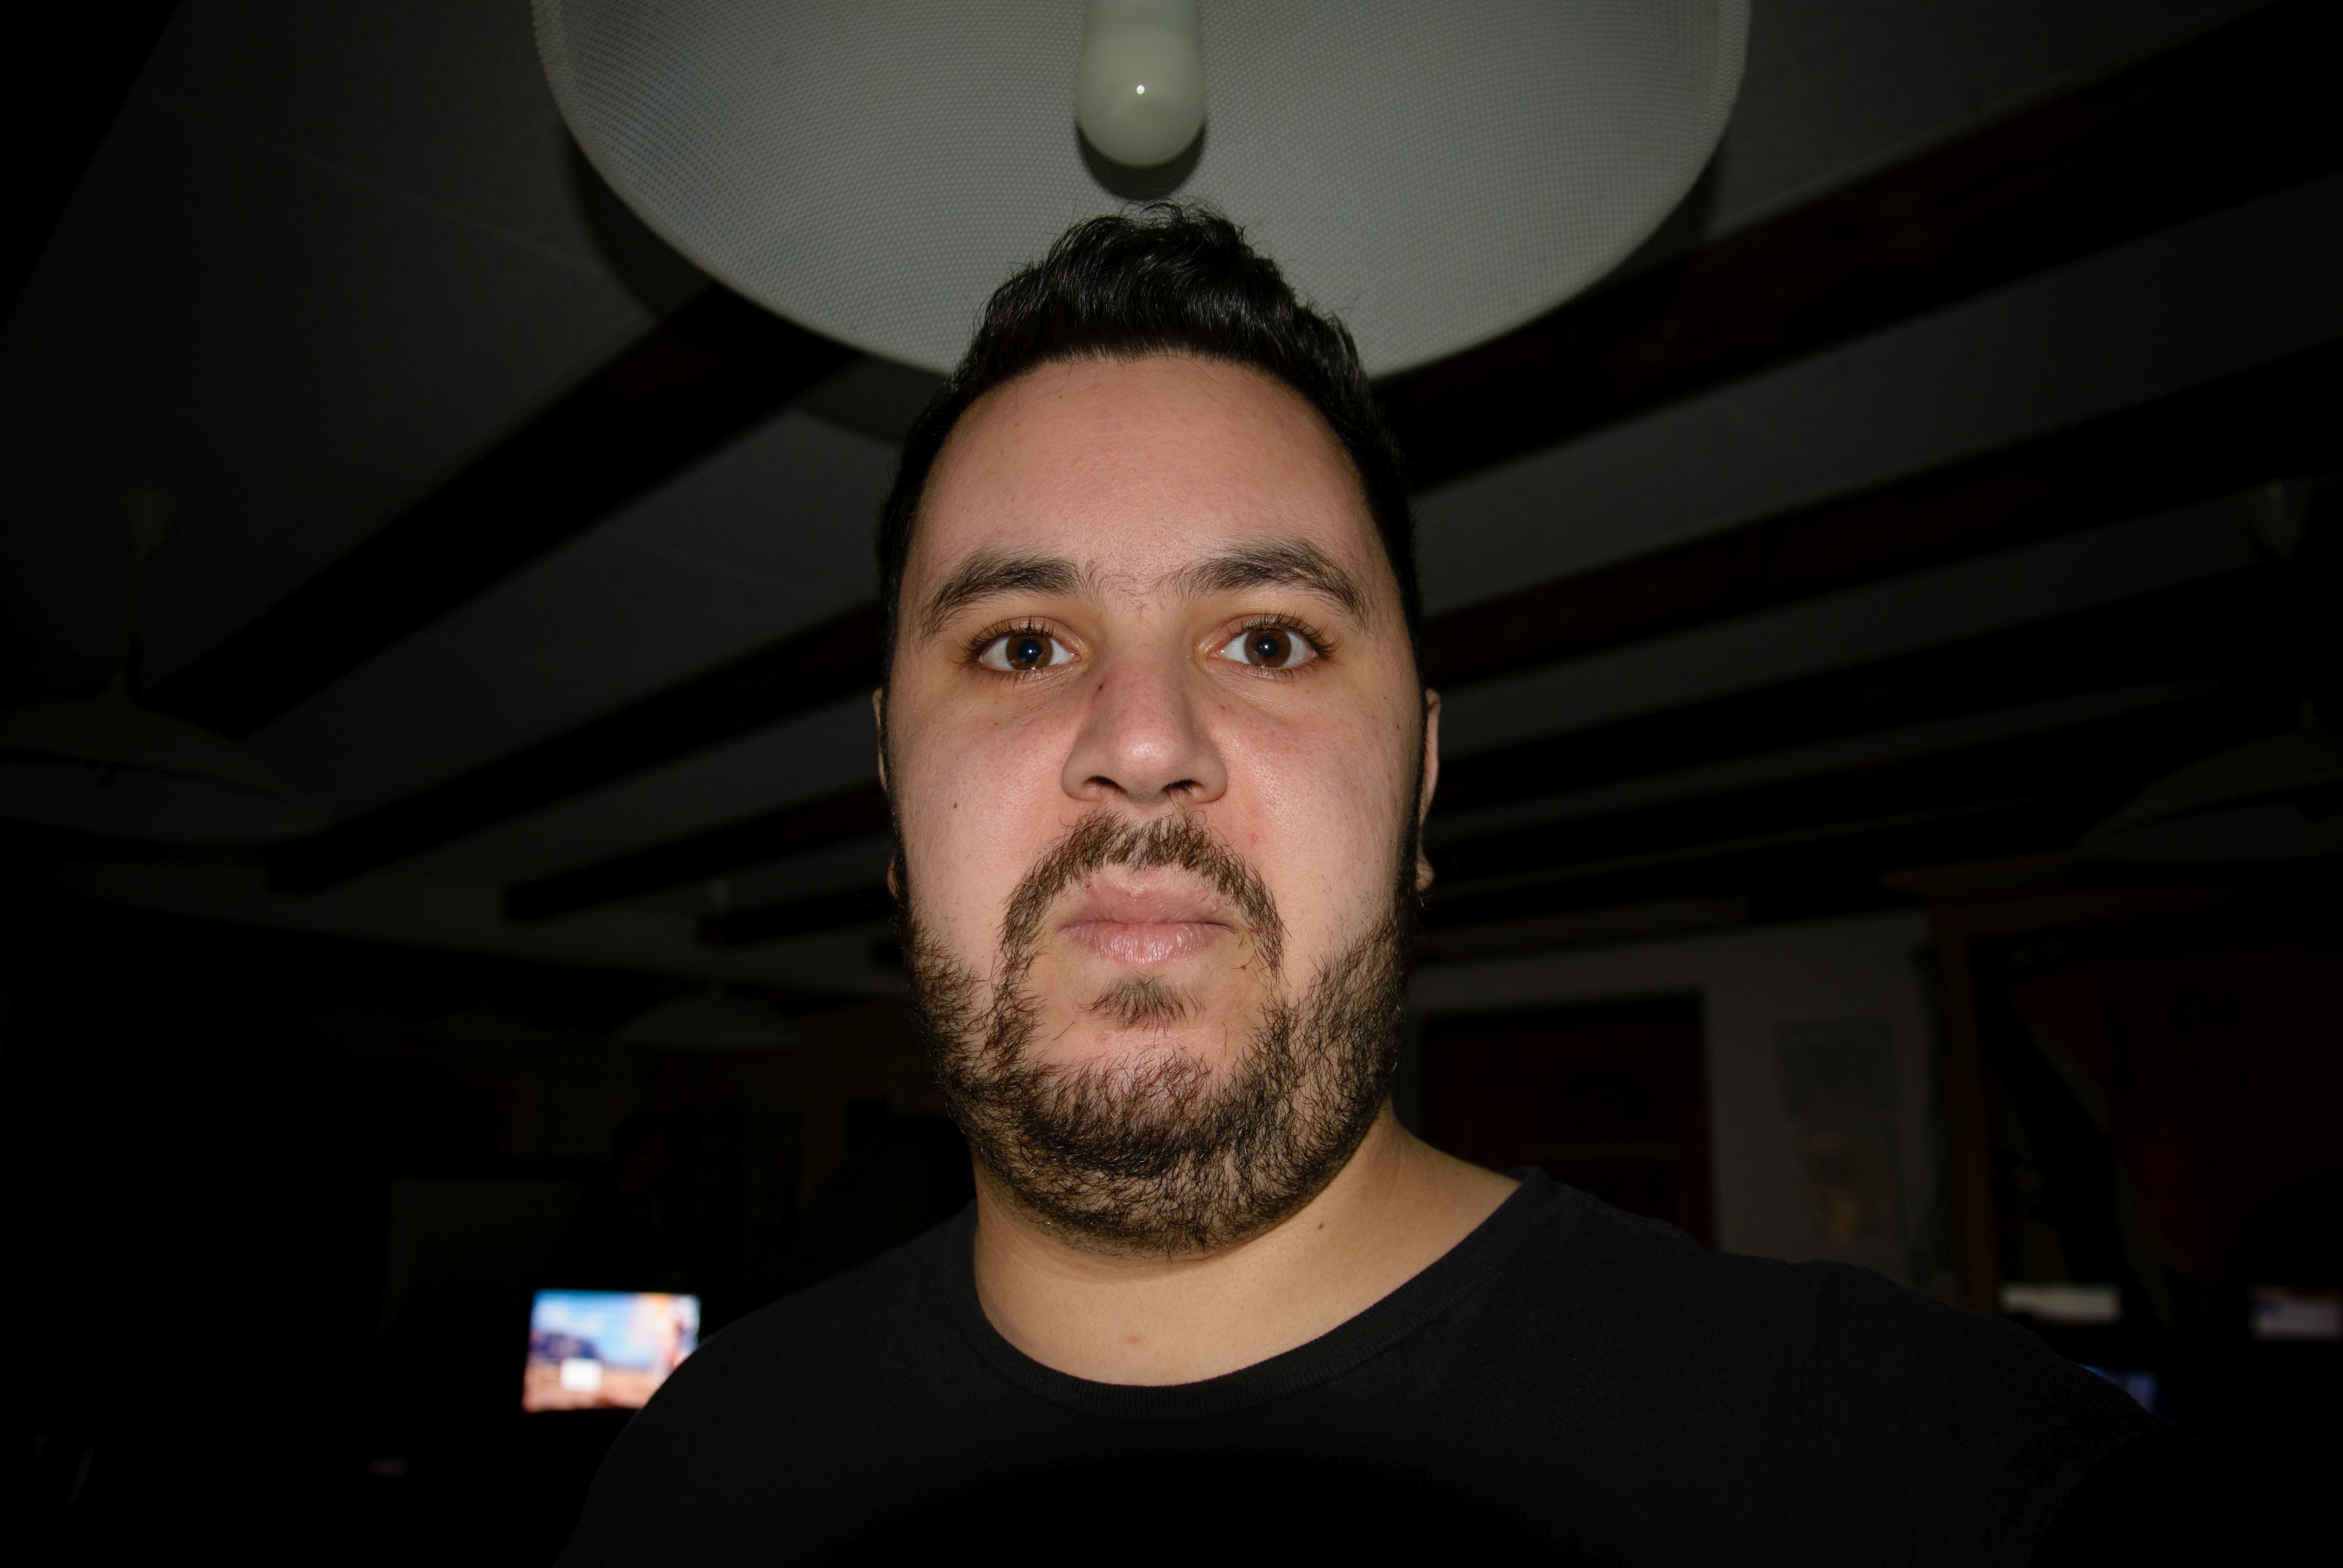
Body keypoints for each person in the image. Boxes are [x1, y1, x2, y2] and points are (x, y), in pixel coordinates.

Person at [560, 206, 2198, 1563]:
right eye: (1023, 645)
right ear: (891, 791)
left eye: (1270, 640)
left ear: (1417, 779)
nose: (1144, 744)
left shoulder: (1914, 1475)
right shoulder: (690, 1482)